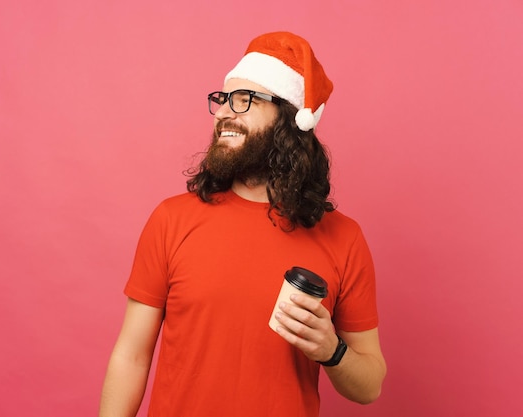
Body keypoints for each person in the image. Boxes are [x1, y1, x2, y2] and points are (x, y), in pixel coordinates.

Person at [99, 31, 386, 417]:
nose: (222, 113)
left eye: (243, 100)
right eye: (222, 100)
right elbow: (131, 357)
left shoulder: (344, 238)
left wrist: (331, 350)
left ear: (288, 118)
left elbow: (370, 386)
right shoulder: (171, 220)